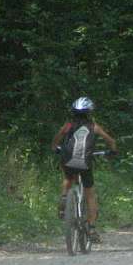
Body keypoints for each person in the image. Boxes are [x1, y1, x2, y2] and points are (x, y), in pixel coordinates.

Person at [52, 96, 117, 242]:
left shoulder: (68, 125)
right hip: (85, 163)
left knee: (68, 178)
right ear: (89, 113)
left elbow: (58, 137)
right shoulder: (94, 126)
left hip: (68, 160)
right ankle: (92, 227)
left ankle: (64, 198)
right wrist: (112, 151)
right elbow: (110, 140)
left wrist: (55, 147)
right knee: (90, 194)